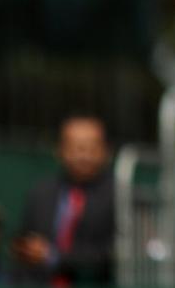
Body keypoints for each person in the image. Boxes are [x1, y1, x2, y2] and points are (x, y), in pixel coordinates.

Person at [10, 116, 115, 286]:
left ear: (106, 151)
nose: (84, 155)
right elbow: (23, 240)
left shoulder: (120, 196)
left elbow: (114, 253)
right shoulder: (41, 193)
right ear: (60, 150)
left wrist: (53, 255)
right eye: (76, 147)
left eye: (91, 147)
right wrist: (25, 248)